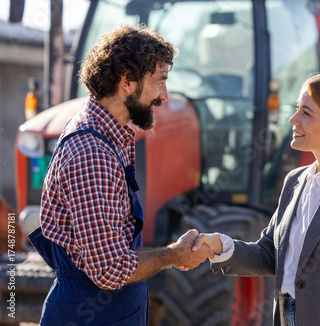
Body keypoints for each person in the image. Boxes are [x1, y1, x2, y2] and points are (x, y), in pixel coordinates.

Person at [28, 25, 214, 326]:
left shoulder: (107, 135)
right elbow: (109, 270)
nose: (164, 96)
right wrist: (174, 255)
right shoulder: (92, 153)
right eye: (159, 82)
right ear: (127, 80)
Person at [188, 71, 320, 325]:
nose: (292, 119)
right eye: (297, 109)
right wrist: (220, 247)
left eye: (306, 113)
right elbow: (269, 254)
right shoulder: (294, 181)